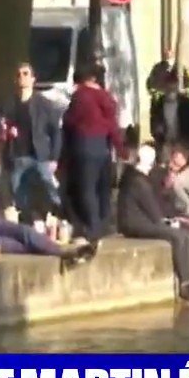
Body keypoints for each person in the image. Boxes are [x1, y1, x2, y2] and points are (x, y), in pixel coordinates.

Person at [116, 144, 189, 299]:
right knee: (180, 236)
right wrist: (177, 221)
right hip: (138, 223)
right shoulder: (141, 181)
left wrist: (180, 218)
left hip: (153, 218)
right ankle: (186, 283)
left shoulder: (141, 178)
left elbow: (161, 208)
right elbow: (156, 214)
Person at [62, 62, 125, 243]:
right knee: (102, 189)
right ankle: (104, 225)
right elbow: (113, 125)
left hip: (84, 146)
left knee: (86, 188)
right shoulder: (107, 98)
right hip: (104, 148)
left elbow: (70, 121)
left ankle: (92, 227)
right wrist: (121, 149)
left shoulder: (80, 96)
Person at [0, 63, 62, 214]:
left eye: (26, 73)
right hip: (18, 155)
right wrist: (7, 131)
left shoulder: (44, 104)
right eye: (19, 74)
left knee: (49, 185)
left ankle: (60, 212)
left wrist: (54, 158)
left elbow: (56, 132)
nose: (22, 77)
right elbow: (1, 129)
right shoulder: (9, 104)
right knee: (17, 191)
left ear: (33, 79)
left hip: (40, 155)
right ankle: (25, 220)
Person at [150, 72, 189, 151]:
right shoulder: (158, 106)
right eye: (169, 88)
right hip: (165, 146)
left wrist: (188, 144)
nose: (171, 91)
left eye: (173, 88)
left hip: (184, 146)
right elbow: (153, 126)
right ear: (164, 88)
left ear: (177, 87)